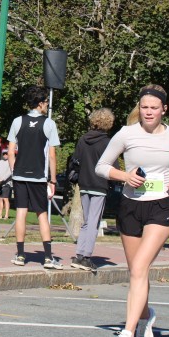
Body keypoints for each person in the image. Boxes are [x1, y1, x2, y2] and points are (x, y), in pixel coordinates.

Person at [95, 84, 169, 337]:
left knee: (139, 267)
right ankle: (146, 316)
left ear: (163, 109)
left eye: (154, 108)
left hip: (161, 205)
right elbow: (101, 166)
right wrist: (124, 176)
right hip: (130, 205)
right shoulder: (126, 133)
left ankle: (127, 333)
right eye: (144, 107)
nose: (148, 112)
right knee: (136, 271)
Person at [8, 85, 62, 270]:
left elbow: (11, 151)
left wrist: (14, 170)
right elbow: (52, 155)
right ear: (39, 104)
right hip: (39, 176)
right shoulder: (49, 124)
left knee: (21, 212)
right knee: (42, 215)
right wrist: (53, 180)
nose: (47, 105)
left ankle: (20, 255)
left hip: (19, 175)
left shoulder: (17, 121)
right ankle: (48, 257)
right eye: (46, 102)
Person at [71, 107, 114, 272]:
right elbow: (112, 165)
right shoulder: (107, 143)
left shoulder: (83, 139)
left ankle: (79, 254)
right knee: (94, 222)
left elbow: (76, 160)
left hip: (84, 184)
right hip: (99, 184)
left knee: (86, 221)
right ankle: (86, 257)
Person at [0, 150, 12, 221]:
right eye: (4, 154)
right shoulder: (0, 162)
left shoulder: (11, 162)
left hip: (6, 184)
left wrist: (3, 180)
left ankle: (6, 215)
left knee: (5, 199)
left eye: (6, 154)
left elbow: (10, 172)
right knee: (0, 199)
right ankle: (0, 214)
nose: (5, 155)